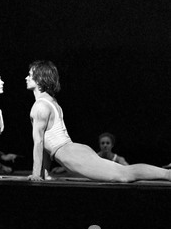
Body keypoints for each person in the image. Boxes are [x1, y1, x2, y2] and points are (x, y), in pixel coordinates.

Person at [25, 60, 171, 182]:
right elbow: (44, 145)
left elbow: (39, 143)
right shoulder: (52, 103)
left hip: (70, 154)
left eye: (30, 75)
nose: (26, 78)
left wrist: (36, 174)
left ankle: (167, 175)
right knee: (123, 172)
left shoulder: (40, 106)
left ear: (40, 79)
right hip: (73, 151)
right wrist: (43, 174)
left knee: (124, 174)